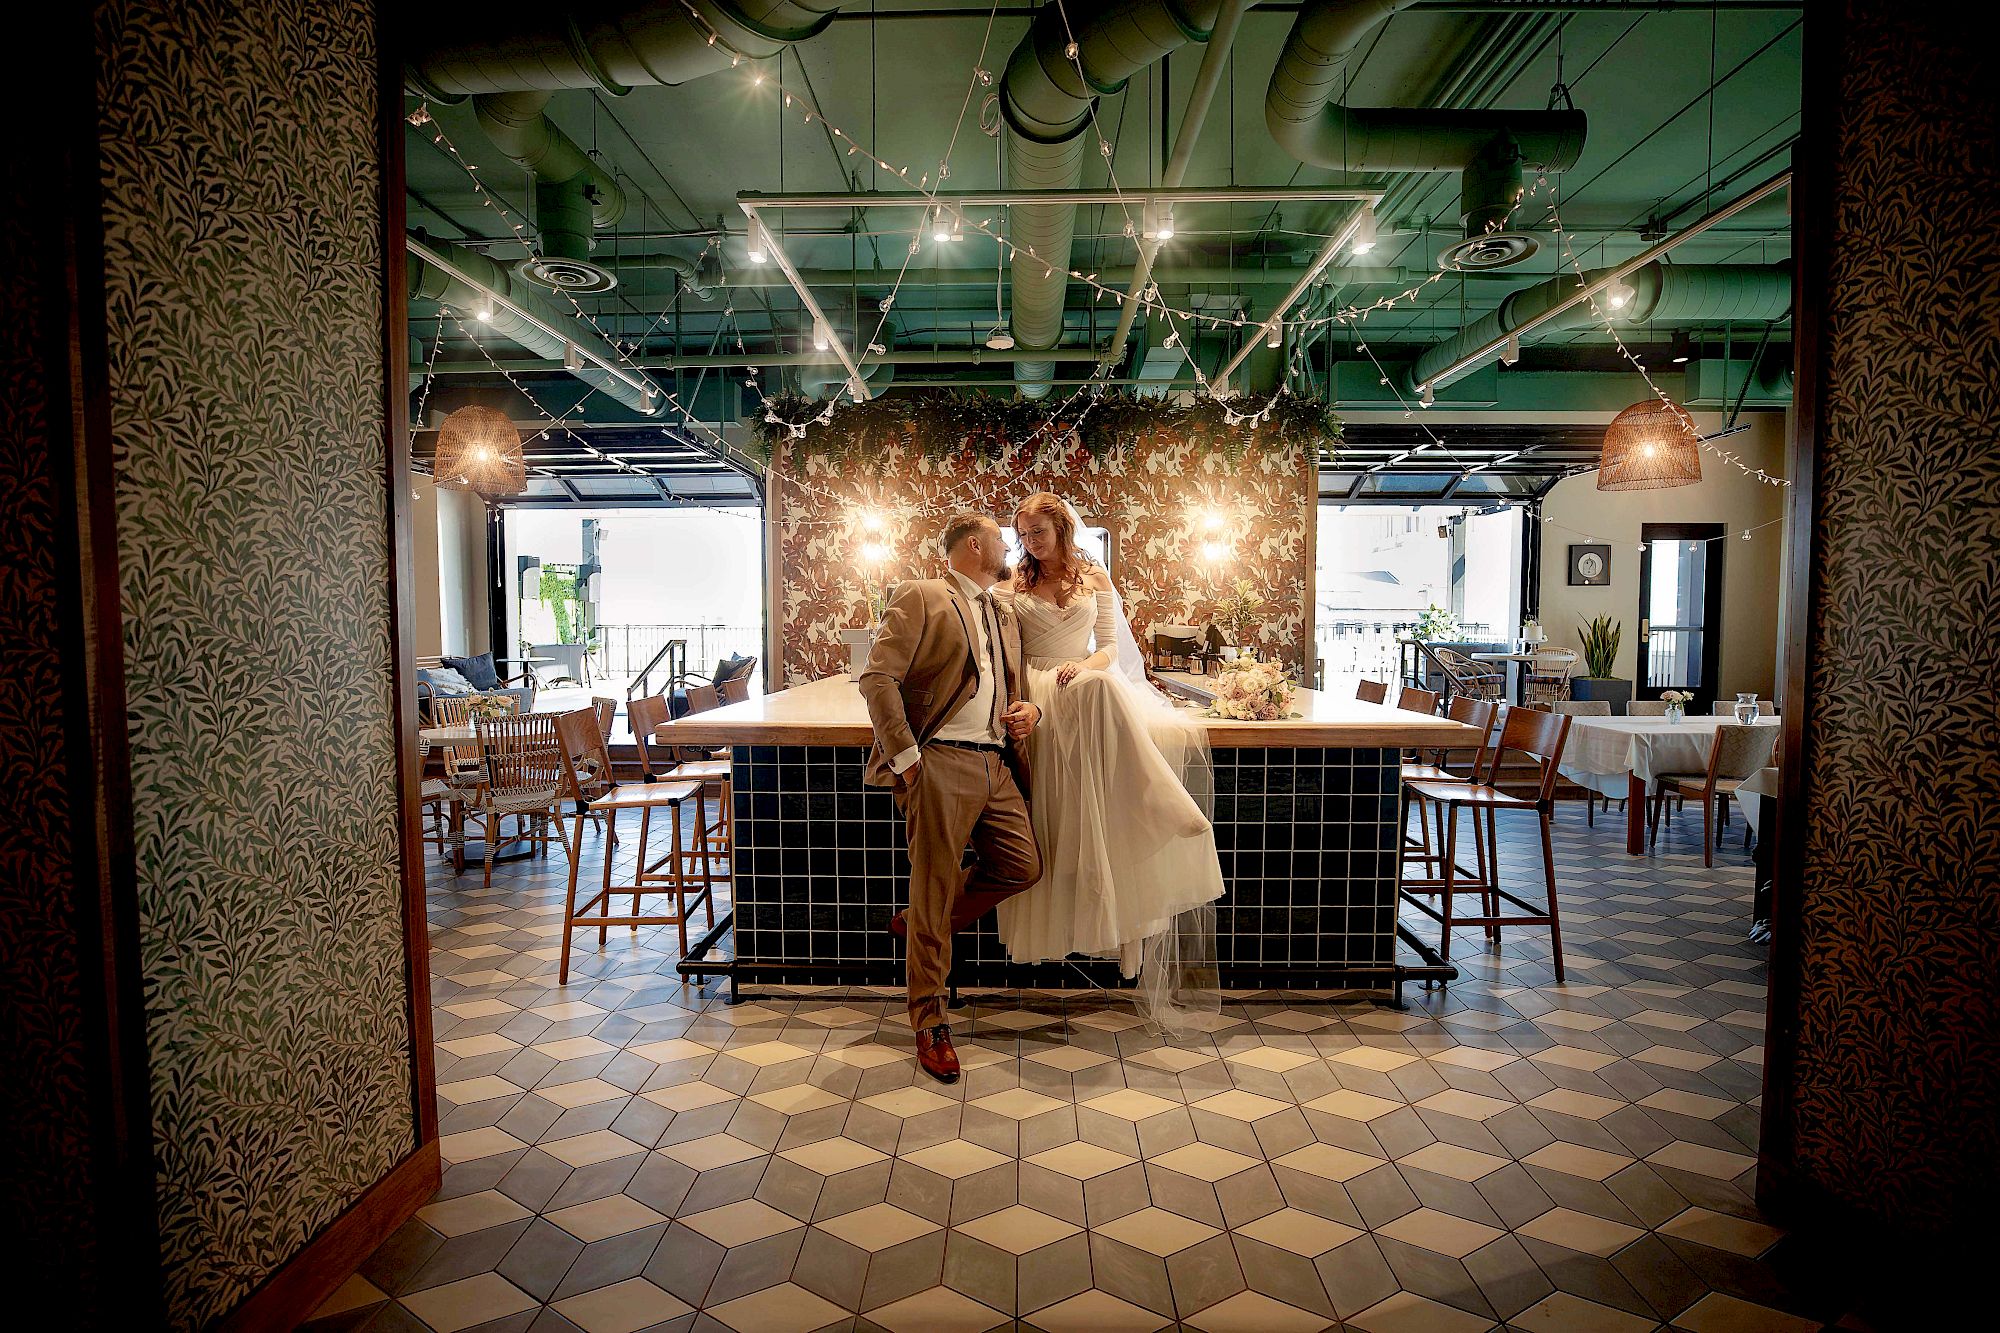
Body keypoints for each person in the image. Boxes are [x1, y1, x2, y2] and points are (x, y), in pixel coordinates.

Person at [993, 492, 1225, 1032]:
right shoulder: (1012, 586)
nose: (1030, 542)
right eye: (1022, 534)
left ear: (1062, 530)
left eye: (1038, 533)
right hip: (1035, 691)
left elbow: (1107, 649)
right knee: (1061, 817)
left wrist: (1085, 667)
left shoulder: (1094, 578)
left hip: (1083, 682)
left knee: (1101, 689)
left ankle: (1153, 801)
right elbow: (1009, 651)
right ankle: (1158, 796)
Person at [857, 511, 1044, 1082]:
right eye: (998, 536)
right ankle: (929, 1022)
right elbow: (877, 678)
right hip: (939, 761)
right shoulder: (924, 595)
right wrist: (908, 758)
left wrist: (1028, 711)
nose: (1007, 544)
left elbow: (1014, 684)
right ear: (971, 544)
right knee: (935, 890)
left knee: (1023, 865)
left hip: (995, 763)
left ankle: (919, 922)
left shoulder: (1001, 608)